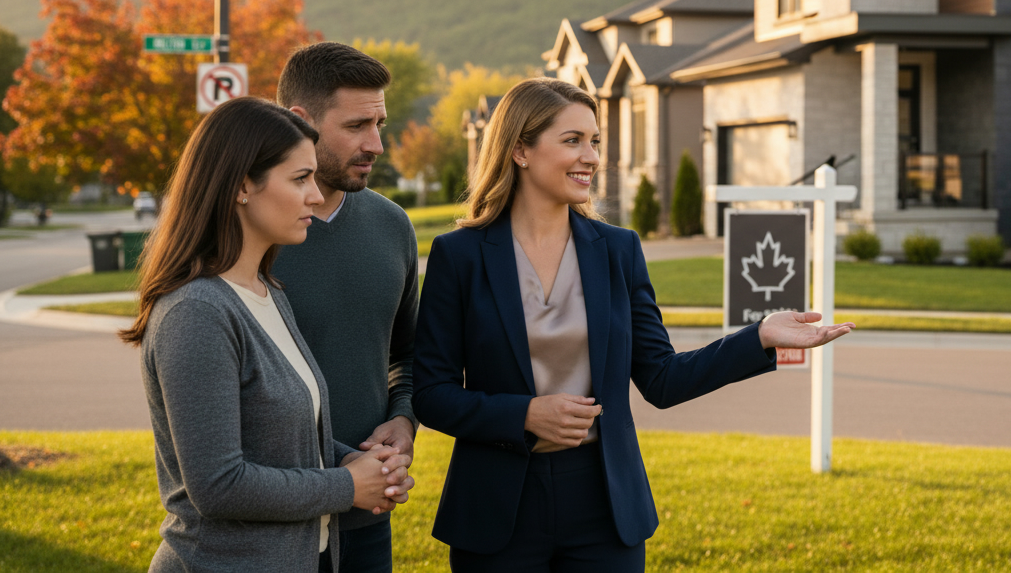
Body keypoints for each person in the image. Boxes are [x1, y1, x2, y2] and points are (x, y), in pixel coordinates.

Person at [413, 78, 854, 571]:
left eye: (595, 141)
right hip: (496, 508)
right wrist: (524, 415)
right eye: (573, 140)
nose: (592, 157)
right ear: (520, 149)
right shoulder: (460, 256)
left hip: (604, 506)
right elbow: (432, 394)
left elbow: (662, 380)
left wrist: (759, 338)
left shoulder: (618, 251)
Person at [120, 97, 414, 573]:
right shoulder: (197, 312)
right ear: (241, 186)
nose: (316, 196)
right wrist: (347, 486)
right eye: (300, 180)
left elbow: (292, 437)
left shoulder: (267, 291)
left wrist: (371, 464)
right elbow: (217, 484)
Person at [272, 42, 420, 573]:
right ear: (300, 122)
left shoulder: (392, 225)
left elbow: (406, 353)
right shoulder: (249, 237)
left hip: (368, 520)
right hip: (272, 527)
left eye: (379, 124)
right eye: (357, 125)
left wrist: (403, 420)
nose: (376, 144)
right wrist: (346, 469)